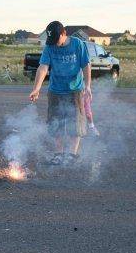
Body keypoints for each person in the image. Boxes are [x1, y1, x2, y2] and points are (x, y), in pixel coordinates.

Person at [29, 21, 91, 165]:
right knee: (55, 123)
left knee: (75, 122)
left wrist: (88, 86)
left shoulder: (77, 44)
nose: (54, 44)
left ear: (64, 34)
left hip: (75, 90)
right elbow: (43, 67)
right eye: (51, 40)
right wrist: (37, 88)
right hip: (55, 90)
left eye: (56, 39)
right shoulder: (50, 46)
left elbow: (86, 65)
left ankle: (72, 154)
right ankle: (59, 153)